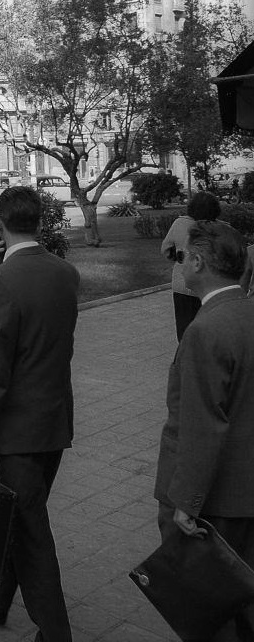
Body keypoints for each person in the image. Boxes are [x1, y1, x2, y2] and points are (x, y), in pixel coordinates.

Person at [0, 186, 79, 642]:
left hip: (18, 432)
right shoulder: (65, 273)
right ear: (40, 222)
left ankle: (55, 631)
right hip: (54, 421)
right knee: (22, 516)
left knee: (31, 534)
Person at [153, 220, 254, 639]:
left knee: (209, 613)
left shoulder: (206, 330)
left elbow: (203, 424)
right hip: (245, 493)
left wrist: (186, 503)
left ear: (196, 262)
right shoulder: (245, 313)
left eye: (182, 256)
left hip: (214, 503)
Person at [160, 190, 221, 342]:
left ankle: (185, 358)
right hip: (209, 285)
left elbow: (166, 249)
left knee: (184, 327)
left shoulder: (179, 223)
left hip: (182, 284)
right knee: (208, 327)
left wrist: (178, 256)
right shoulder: (219, 228)